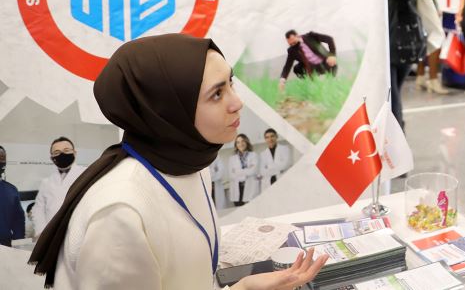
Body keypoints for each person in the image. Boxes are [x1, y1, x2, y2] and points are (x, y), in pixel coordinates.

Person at [28, 34, 327, 288]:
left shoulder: (192, 166)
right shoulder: (119, 215)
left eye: (230, 83)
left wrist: (245, 287)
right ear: (168, 111)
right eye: (217, 94)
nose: (237, 102)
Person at [386, 0, 427, 130]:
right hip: (411, 38)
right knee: (397, 88)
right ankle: (397, 128)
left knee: (392, 91)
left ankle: (397, 131)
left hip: (389, 38)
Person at [32, 137, 86, 238]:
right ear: (51, 157)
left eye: (66, 150)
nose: (62, 154)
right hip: (52, 235)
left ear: (75, 153)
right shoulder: (46, 182)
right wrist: (41, 231)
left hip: (80, 233)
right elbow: (38, 209)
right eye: (56, 152)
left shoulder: (86, 174)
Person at [414, 0, 450, 95]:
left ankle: (420, 77)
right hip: (427, 15)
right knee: (436, 43)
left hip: (420, 16)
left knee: (423, 45)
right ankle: (433, 80)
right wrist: (436, 10)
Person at [0, 146, 25, 247]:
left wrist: (18, 243)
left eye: (2, 158)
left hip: (6, 246)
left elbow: (18, 220)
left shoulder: (11, 190)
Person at [228, 134, 259, 207]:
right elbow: (231, 175)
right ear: (236, 145)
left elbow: (253, 171)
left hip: (250, 187)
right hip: (237, 188)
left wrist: (237, 171)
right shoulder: (232, 159)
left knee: (252, 209)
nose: (240, 144)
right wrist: (247, 170)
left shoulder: (253, 155)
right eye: (238, 142)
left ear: (246, 142)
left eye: (243, 141)